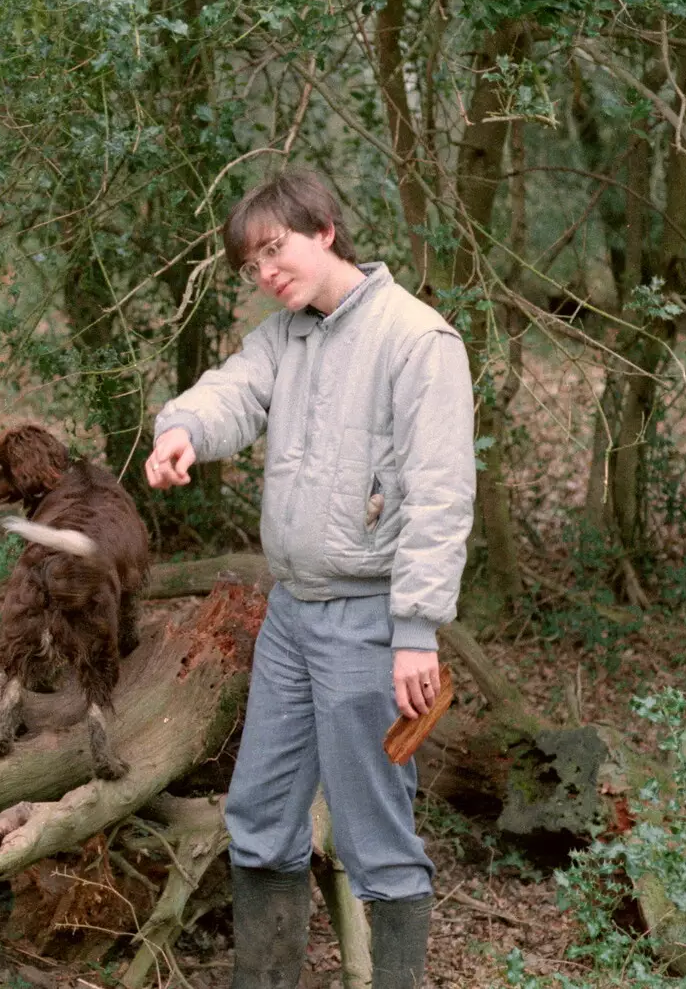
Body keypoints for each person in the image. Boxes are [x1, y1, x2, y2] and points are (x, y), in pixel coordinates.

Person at [144, 169, 475, 989]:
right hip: (291, 616)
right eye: (251, 265)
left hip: (370, 623)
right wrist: (182, 427)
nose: (264, 274)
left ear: (324, 228)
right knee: (257, 818)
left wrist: (415, 633)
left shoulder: (416, 339)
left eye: (274, 250)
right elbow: (232, 392)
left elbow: (441, 498)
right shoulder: (286, 335)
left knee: (375, 839)